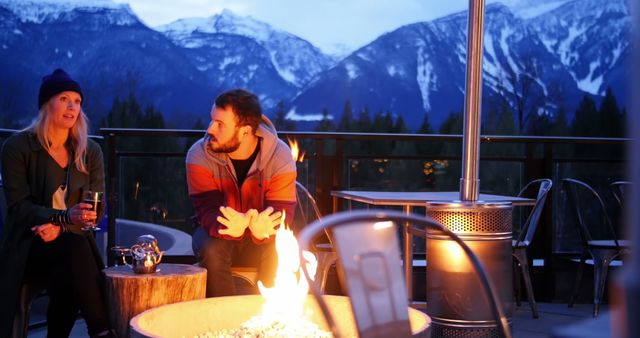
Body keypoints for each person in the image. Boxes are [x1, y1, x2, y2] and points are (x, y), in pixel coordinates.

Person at [0, 69, 115, 338]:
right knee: (74, 256)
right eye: (64, 98)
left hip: (71, 243)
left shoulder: (90, 151)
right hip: (28, 247)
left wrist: (62, 228)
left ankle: (95, 330)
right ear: (46, 104)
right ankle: (101, 329)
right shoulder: (18, 148)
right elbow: (19, 208)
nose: (72, 106)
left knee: (70, 262)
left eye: (77, 100)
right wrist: (63, 218)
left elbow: (94, 214)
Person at [186, 88, 297, 297]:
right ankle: (223, 318)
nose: (210, 129)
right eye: (212, 120)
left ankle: (268, 318)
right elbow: (206, 209)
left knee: (278, 248)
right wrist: (226, 226)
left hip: (261, 233)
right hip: (217, 231)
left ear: (245, 131)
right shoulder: (198, 155)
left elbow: (282, 212)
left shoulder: (280, 156)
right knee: (212, 250)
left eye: (220, 124)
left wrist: (264, 228)